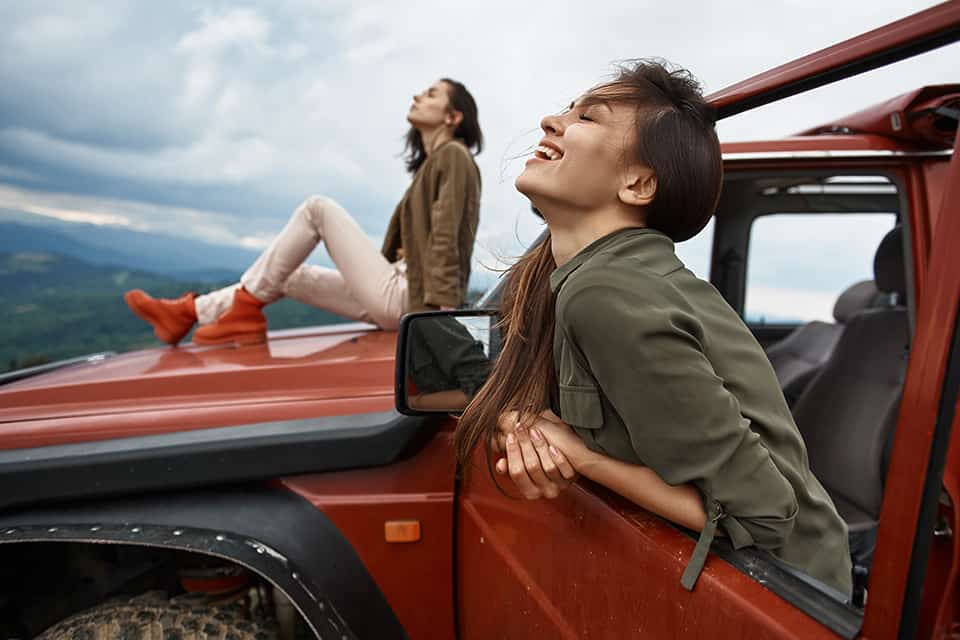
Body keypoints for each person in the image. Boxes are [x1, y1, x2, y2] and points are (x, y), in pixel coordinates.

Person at [453, 60, 852, 597]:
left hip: (789, 596)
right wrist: (523, 425)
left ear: (638, 184)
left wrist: (582, 457)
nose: (551, 121)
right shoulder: (585, 279)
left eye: (586, 117)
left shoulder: (608, 294)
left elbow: (763, 516)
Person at [125, 78, 483, 345]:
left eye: (432, 94)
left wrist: (441, 314)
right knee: (290, 275)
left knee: (317, 209)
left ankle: (243, 309)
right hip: (397, 295)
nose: (418, 95)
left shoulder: (454, 156)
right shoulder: (432, 165)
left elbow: (446, 236)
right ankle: (187, 314)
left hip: (413, 300)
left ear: (453, 116)